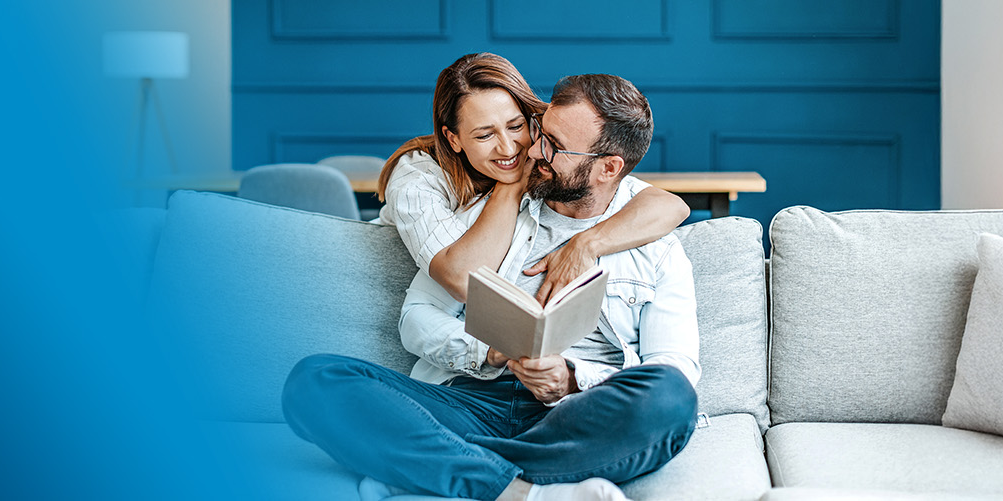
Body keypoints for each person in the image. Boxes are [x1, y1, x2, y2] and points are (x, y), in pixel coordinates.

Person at [285, 74, 700, 501]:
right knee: (316, 380)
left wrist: (571, 379)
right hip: (471, 402)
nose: (532, 151)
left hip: (575, 416)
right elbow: (417, 319)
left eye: (554, 146)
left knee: (672, 398)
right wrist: (492, 351)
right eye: (540, 132)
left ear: (608, 168)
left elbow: (676, 366)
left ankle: (433, 467)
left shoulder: (657, 250)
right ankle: (527, 492)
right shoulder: (492, 211)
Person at [375, 53, 689, 305]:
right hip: (399, 302)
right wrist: (511, 186)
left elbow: (670, 206)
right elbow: (463, 282)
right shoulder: (418, 176)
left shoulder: (545, 144)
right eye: (484, 135)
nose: (509, 148)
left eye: (515, 126)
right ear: (453, 138)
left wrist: (585, 244)